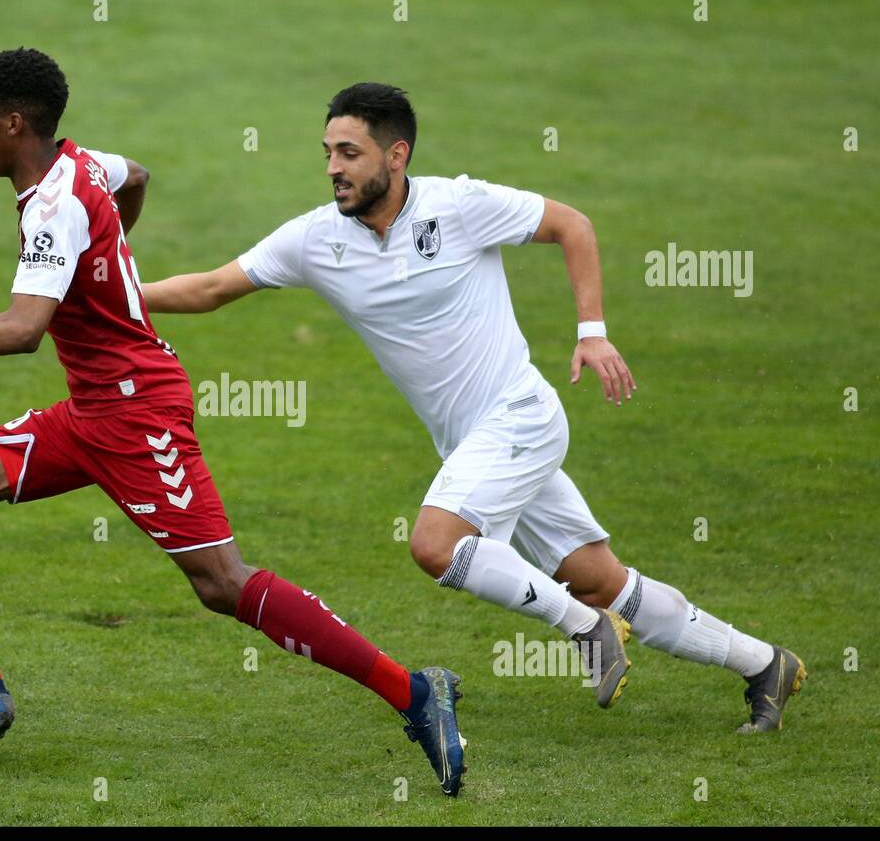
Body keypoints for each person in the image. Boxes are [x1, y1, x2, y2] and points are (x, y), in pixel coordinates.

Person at [0, 53, 467, 795]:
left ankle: (414, 692)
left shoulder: (55, 202)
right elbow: (139, 176)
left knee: (221, 582)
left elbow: (26, 327)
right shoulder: (79, 162)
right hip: (91, 407)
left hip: (136, 411)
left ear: (14, 123)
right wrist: (108, 264)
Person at [142, 82, 807, 733]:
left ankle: (581, 626)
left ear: (396, 156)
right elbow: (209, 287)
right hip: (473, 446)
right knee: (599, 578)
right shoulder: (318, 240)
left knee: (435, 543)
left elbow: (571, 225)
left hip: (520, 416)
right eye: (327, 153)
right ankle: (765, 665)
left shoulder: (460, 206)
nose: (333, 169)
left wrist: (591, 332)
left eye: (349, 153)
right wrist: (110, 293)